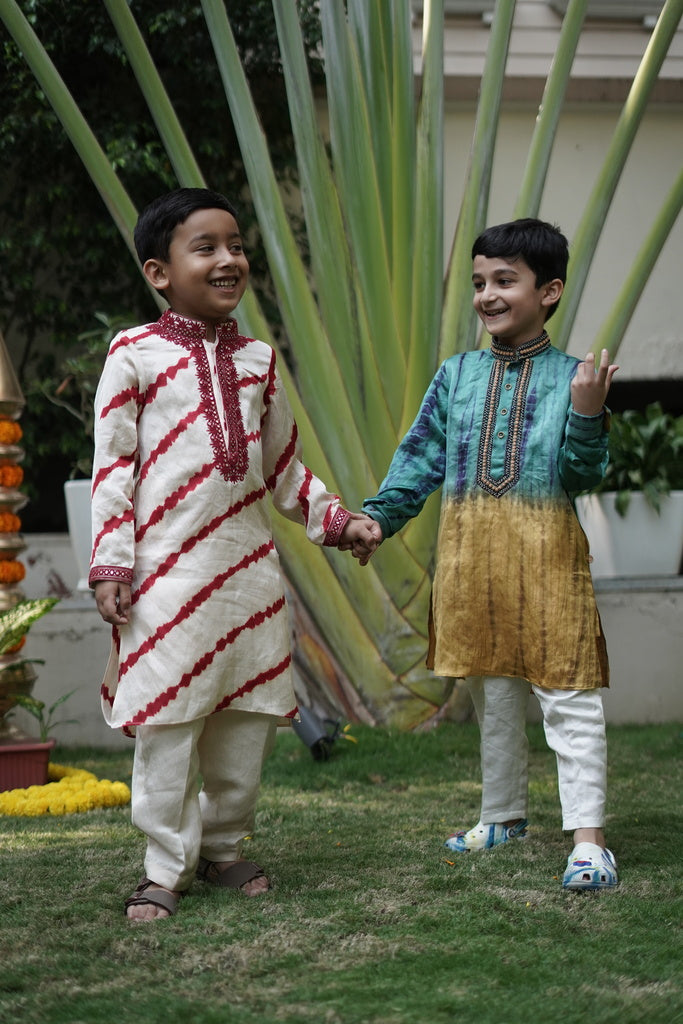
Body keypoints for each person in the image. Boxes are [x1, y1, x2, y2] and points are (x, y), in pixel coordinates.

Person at [89, 187, 376, 921]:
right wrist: (112, 565)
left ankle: (222, 848)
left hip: (247, 578)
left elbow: (282, 468)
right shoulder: (133, 353)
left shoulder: (257, 359)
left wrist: (337, 522)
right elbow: (113, 466)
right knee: (170, 724)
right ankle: (164, 865)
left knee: (246, 725)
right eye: (206, 247)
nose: (229, 260)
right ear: (159, 272)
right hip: (164, 577)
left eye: (236, 245)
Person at [358, 218, 619, 890]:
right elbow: (418, 460)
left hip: (548, 565)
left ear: (549, 290)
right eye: (478, 282)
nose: (486, 295)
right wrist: (378, 518)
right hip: (471, 567)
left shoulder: (573, 377)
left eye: (504, 280)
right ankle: (502, 816)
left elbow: (584, 477)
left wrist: (588, 412)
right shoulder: (457, 377)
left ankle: (588, 843)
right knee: (491, 695)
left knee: (569, 698)